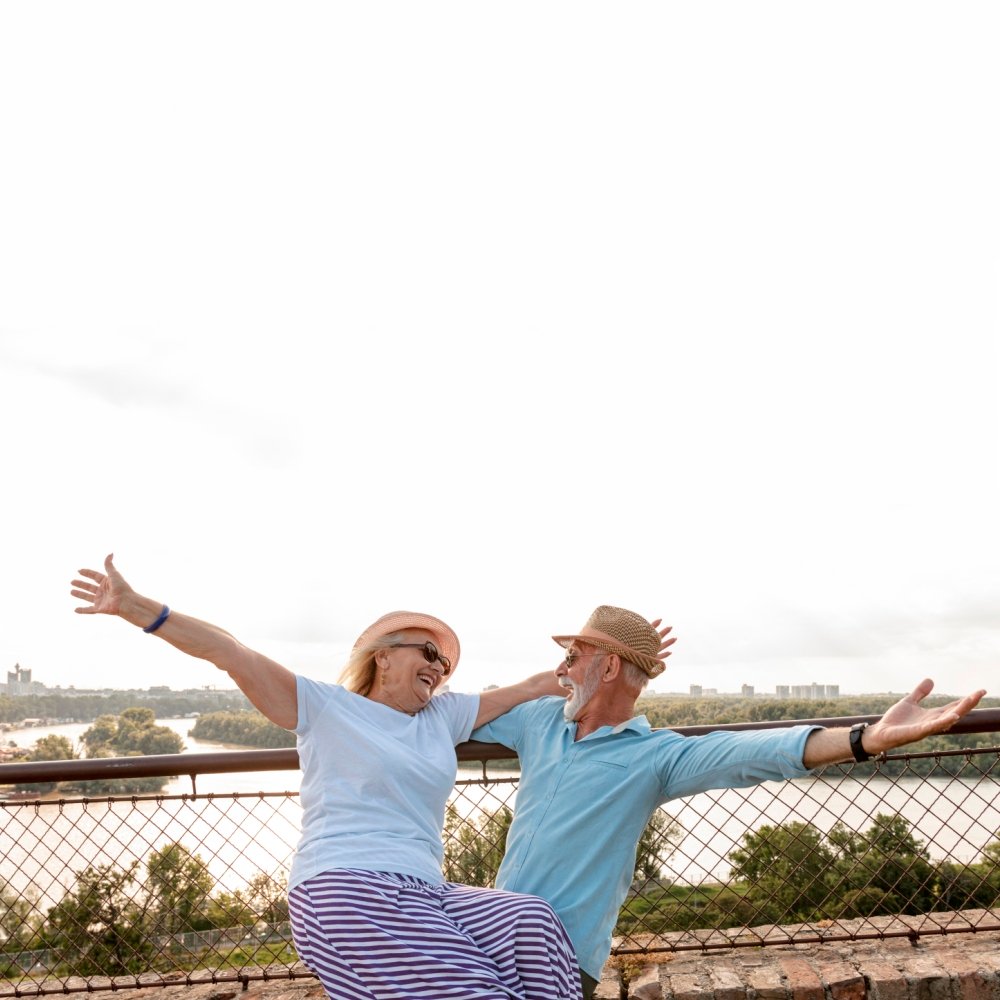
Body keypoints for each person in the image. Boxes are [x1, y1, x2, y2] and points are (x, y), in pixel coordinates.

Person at [70, 554, 583, 1000]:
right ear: (383, 655)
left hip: (426, 888)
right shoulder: (325, 707)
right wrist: (138, 608)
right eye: (428, 653)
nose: (439, 667)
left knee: (530, 923)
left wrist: (610, 659)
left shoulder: (441, 716)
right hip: (346, 886)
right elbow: (231, 652)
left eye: (445, 663)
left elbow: (535, 685)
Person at [469, 605, 987, 999]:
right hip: (489, 930)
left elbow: (756, 752)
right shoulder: (539, 722)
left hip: (559, 952)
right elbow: (447, 716)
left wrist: (864, 738)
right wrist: (537, 683)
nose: (562, 670)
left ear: (606, 671)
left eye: (572, 658)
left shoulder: (655, 757)